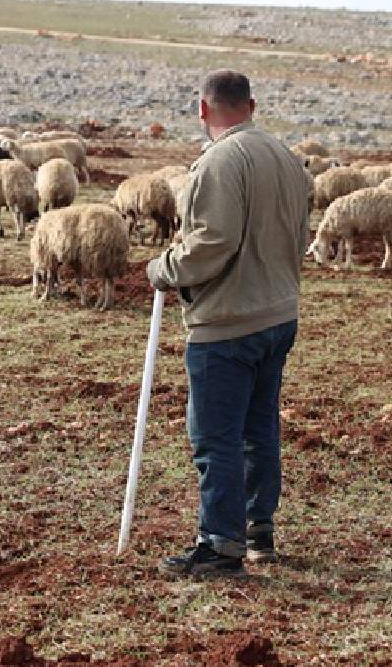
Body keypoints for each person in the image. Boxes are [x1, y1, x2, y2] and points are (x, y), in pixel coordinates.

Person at [146, 69, 310, 578]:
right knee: (258, 427)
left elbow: (211, 242)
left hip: (229, 321)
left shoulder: (219, 161)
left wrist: (166, 268)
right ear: (252, 105)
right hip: (278, 313)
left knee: (215, 435)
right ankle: (259, 530)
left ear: (202, 109)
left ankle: (220, 546)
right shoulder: (285, 157)